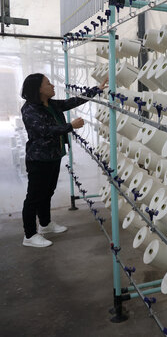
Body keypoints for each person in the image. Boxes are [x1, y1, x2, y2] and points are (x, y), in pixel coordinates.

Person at [20, 73, 107, 248]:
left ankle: (45, 225)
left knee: (47, 192)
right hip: (39, 159)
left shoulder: (50, 104)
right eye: (48, 83)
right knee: (34, 197)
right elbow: (43, 130)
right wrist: (70, 126)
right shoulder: (30, 109)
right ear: (39, 89)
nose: (52, 86)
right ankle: (29, 235)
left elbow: (70, 103)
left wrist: (95, 90)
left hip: (53, 155)